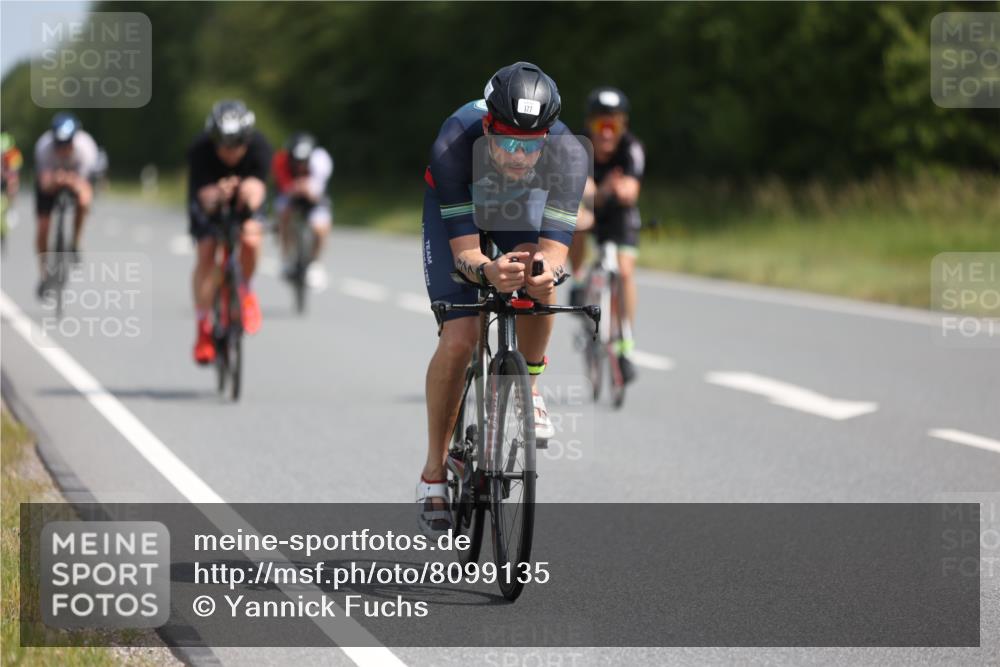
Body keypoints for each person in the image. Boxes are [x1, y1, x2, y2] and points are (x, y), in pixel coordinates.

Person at [417, 62, 588, 533]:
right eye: (509, 142)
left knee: (539, 279)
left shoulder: (569, 156)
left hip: (517, 208)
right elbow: (465, 254)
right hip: (460, 210)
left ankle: (528, 385)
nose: (519, 156)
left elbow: (555, 254)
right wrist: (488, 270)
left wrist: (542, 272)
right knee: (460, 337)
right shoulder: (454, 142)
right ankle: (434, 472)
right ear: (489, 127)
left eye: (532, 145)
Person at [568, 87, 644, 383]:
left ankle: (625, 344)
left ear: (623, 126)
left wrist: (604, 191)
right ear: (590, 125)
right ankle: (578, 280)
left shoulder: (632, 148)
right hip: (589, 210)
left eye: (614, 125)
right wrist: (605, 190)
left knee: (624, 272)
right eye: (601, 124)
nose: (607, 133)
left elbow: (629, 193)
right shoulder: (578, 147)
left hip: (620, 215)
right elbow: (584, 193)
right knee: (577, 219)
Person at [187, 100, 272, 365]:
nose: (231, 153)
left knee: (251, 237)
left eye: (237, 145)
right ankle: (203, 326)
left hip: (244, 201)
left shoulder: (260, 146)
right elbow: (204, 197)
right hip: (209, 200)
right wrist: (218, 195)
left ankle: (245, 290)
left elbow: (258, 190)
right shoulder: (200, 150)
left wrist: (246, 195)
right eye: (224, 146)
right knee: (206, 250)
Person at [32, 113, 99, 296]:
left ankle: (75, 242)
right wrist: (56, 181)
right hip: (50, 183)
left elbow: (85, 190)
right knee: (43, 226)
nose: (63, 149)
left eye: (67, 144)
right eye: (59, 144)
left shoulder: (86, 149)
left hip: (77, 182)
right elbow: (44, 184)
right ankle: (45, 275)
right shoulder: (44, 147)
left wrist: (70, 181)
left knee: (83, 203)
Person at [271, 132, 334, 289]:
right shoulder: (281, 160)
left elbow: (316, 191)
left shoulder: (321, 160)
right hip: (289, 194)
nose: (300, 166)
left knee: (321, 228)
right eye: (296, 161)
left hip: (313, 194)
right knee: (284, 216)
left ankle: (315, 263)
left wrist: (308, 189)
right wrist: (294, 188)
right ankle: (286, 257)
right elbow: (284, 186)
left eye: (304, 162)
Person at [1, 131, 24, 250]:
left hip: (7, 179)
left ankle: (11, 208)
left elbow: (14, 173)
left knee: (12, 185)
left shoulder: (14, 154)